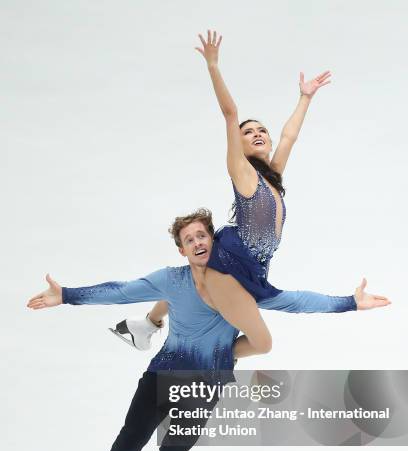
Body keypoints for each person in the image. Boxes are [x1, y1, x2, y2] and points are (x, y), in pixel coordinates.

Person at [27, 209, 390, 451]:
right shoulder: (172, 280)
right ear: (181, 249)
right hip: (161, 376)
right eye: (189, 239)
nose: (197, 242)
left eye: (202, 235)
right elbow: (122, 291)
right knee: (128, 441)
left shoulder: (238, 287)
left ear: (213, 241)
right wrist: (67, 295)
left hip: (203, 388)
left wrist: (348, 303)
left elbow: (294, 300)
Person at [111, 30, 334, 355]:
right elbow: (231, 114)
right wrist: (213, 66)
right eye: (249, 132)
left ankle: (147, 325)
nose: (257, 134)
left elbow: (289, 137)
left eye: (262, 131)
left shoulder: (272, 175)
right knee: (205, 291)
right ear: (239, 145)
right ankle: (177, 339)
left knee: (194, 282)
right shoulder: (242, 171)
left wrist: (305, 98)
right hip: (234, 251)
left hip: (240, 252)